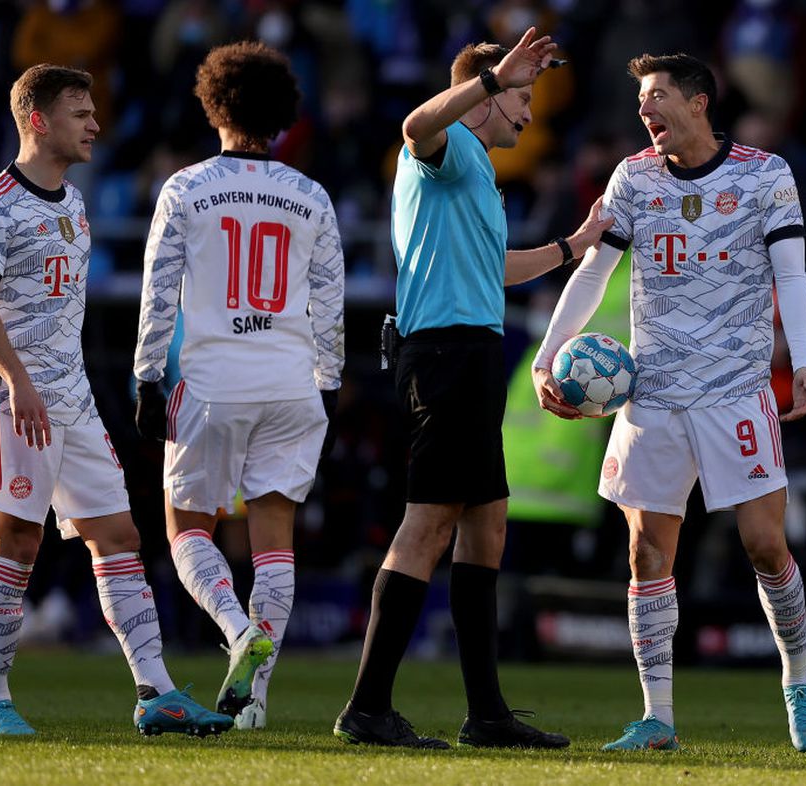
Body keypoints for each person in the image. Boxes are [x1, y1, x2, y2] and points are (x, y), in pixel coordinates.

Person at [531, 52, 806, 753]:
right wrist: (548, 354)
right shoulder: (634, 177)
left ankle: (797, 675)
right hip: (653, 389)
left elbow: (792, 271)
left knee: (763, 544)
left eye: (658, 96)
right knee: (645, 552)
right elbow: (594, 273)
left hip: (734, 389)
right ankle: (657, 716)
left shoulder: (765, 175)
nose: (646, 110)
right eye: (640, 99)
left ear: (698, 103)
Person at [332, 28, 612, 750]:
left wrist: (570, 249)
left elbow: (491, 270)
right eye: (521, 95)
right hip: (447, 357)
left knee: (487, 526)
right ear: (486, 93)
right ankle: (367, 706)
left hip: (472, 354)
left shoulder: (478, 173)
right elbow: (414, 124)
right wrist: (493, 80)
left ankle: (486, 714)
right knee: (429, 522)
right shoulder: (449, 145)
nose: (527, 113)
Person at [0, 63, 232, 737]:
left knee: (118, 536)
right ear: (39, 120)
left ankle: (156, 692)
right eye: (80, 112)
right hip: (8, 396)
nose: (95, 124)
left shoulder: (75, 203)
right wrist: (19, 382)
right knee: (18, 540)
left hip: (71, 400)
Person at [133, 41, 345, 731]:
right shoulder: (311, 196)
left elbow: (158, 293)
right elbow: (329, 302)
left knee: (186, 526)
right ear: (284, 115)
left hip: (212, 381)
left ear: (212, 104)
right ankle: (254, 702)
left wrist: (144, 377)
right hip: (290, 382)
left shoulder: (187, 187)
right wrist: (330, 384)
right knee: (274, 535)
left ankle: (234, 630)